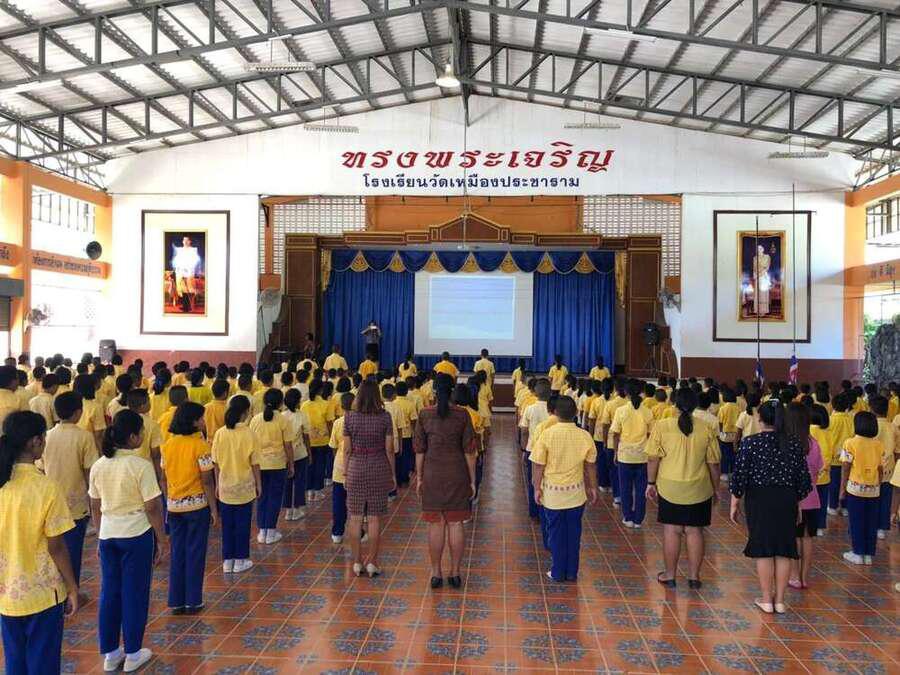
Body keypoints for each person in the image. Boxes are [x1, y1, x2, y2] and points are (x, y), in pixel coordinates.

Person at [0, 411, 79, 675]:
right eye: (43, 438)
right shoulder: (46, 488)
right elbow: (56, 546)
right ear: (35, 442)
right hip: (43, 593)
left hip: (7, 593)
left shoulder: (3, 484)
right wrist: (72, 586)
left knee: (15, 662)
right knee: (43, 664)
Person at [89, 410, 165, 672]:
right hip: (136, 535)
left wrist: (100, 534)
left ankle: (111, 653)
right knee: (135, 593)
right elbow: (152, 507)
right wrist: (162, 539)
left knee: (110, 592)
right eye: (141, 432)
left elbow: (95, 505)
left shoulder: (99, 465)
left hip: (108, 535)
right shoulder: (140, 466)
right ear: (133, 437)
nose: (143, 435)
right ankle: (132, 652)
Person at [729, 400, 812, 614]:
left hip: (759, 499)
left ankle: (766, 599)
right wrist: (798, 504)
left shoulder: (750, 443)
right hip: (787, 499)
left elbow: (739, 475)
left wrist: (734, 502)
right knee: (784, 549)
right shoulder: (794, 444)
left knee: (764, 549)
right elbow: (803, 479)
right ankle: (780, 601)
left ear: (760, 419)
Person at [646, 388, 720, 589]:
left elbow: (653, 458)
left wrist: (650, 483)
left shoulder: (662, 426)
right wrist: (716, 489)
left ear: (674, 404)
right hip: (699, 488)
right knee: (695, 532)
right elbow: (713, 463)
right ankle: (694, 577)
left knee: (672, 531)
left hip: (669, 487)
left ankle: (669, 575)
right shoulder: (706, 428)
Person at [414, 374, 477, 589]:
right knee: (456, 523)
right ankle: (455, 573)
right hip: (457, 473)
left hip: (432, 474)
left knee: (436, 523)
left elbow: (419, 450)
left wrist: (419, 477)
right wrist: (472, 480)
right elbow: (470, 451)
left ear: (433, 391)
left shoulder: (424, 414)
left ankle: (436, 573)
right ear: (452, 391)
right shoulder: (462, 414)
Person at [531, 396, 598, 583]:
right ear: (575, 413)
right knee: (574, 533)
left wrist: (537, 487)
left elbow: (538, 465)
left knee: (556, 533)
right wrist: (593, 487)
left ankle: (558, 571)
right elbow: (590, 465)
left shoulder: (547, 434)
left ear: (555, 413)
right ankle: (571, 572)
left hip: (553, 495)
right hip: (576, 494)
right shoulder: (584, 435)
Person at [161, 402, 215, 614]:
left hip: (174, 506)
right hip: (197, 506)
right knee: (195, 552)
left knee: (178, 552)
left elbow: (164, 477)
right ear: (193, 421)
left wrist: (170, 499)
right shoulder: (200, 446)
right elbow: (207, 481)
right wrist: (214, 509)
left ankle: (176, 601)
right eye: (201, 418)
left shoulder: (168, 445)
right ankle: (193, 600)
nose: (203, 422)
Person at [41, 392, 98, 588]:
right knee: (73, 550)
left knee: (53, 549)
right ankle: (72, 591)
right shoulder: (84, 437)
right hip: (76, 505)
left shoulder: (46, 436)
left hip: (49, 502)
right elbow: (90, 471)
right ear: (78, 412)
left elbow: (41, 467)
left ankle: (58, 591)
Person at [342, 380, 396, 578]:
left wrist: (345, 473)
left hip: (355, 468)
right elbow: (389, 449)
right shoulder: (385, 417)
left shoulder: (349, 417)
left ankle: (357, 562)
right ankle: (372, 561)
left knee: (355, 517)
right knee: (374, 518)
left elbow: (347, 449)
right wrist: (392, 473)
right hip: (378, 467)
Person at [211, 396, 260, 574]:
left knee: (227, 525)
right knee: (243, 524)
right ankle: (241, 560)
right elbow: (255, 463)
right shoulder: (249, 433)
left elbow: (215, 463)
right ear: (245, 412)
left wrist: (217, 484)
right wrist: (259, 484)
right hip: (244, 487)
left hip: (225, 487)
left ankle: (227, 561)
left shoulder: (220, 433)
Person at [784, 403, 822, 590]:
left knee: (793, 537)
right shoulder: (813, 443)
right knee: (807, 538)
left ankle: (793, 576)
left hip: (792, 499)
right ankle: (804, 577)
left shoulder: (786, 444)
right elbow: (817, 470)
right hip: (812, 497)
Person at [839, 411, 884, 565]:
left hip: (855, 489)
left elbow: (846, 467)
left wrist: (842, 488)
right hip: (874, 490)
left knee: (856, 521)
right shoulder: (878, 444)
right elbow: (880, 468)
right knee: (871, 522)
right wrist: (878, 483)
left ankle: (857, 553)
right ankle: (868, 555)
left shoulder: (850, 443)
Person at [249, 388, 293, 545]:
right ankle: (271, 531)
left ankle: (262, 532)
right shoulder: (283, 420)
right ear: (281, 403)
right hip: (278, 464)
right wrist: (291, 464)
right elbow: (288, 446)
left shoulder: (255, 420)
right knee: (275, 497)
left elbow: (251, 444)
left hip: (259, 465)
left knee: (261, 496)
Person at [609, 381, 653, 529]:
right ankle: (639, 519)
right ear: (641, 392)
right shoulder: (647, 411)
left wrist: (616, 451)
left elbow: (615, 434)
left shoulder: (621, 411)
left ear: (626, 393)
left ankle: (627, 517)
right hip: (643, 456)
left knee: (625, 488)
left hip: (625, 455)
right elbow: (650, 434)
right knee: (641, 489)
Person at [520, 379, 552, 519]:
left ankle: (534, 511)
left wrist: (523, 448)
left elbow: (524, 430)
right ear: (550, 393)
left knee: (533, 480)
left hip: (532, 449)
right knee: (548, 480)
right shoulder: (553, 410)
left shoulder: (530, 409)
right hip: (550, 450)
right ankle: (546, 509)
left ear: (535, 393)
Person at [300, 379, 333, 502]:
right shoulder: (326, 404)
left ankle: (309, 491)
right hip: (323, 440)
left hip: (308, 440)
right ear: (321, 390)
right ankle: (318, 491)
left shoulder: (304, 405)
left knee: (309, 465)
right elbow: (329, 423)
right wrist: (331, 437)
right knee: (320, 465)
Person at [869, 395, 897, 539]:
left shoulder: (870, 426)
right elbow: (897, 451)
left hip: (872, 468)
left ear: (872, 410)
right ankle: (881, 528)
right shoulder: (893, 427)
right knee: (885, 499)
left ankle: (872, 526)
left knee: (872, 499)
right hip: (889, 469)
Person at [329, 393, 354, 544]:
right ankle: (358, 532)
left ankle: (337, 532)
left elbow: (333, 445)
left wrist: (337, 458)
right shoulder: (360, 422)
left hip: (339, 467)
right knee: (356, 502)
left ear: (342, 406)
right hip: (356, 467)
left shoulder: (338, 423)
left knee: (338, 501)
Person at [282, 388, 309, 521]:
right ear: (298, 401)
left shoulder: (282, 416)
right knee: (300, 482)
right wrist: (309, 453)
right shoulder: (302, 415)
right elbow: (306, 436)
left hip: (285, 455)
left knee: (287, 482)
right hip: (300, 453)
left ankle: (288, 511)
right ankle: (297, 509)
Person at [827, 393, 855, 516]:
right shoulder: (851, 419)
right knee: (846, 482)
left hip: (833, 459)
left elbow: (828, 439)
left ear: (833, 405)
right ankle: (845, 508)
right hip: (848, 458)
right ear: (847, 406)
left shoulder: (830, 420)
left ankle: (833, 506)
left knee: (834, 484)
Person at [809, 404, 834, 536]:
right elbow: (830, 452)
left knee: (809, 502)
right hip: (824, 475)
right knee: (822, 502)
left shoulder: (807, 431)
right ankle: (820, 526)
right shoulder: (828, 433)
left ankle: (810, 525)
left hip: (809, 475)